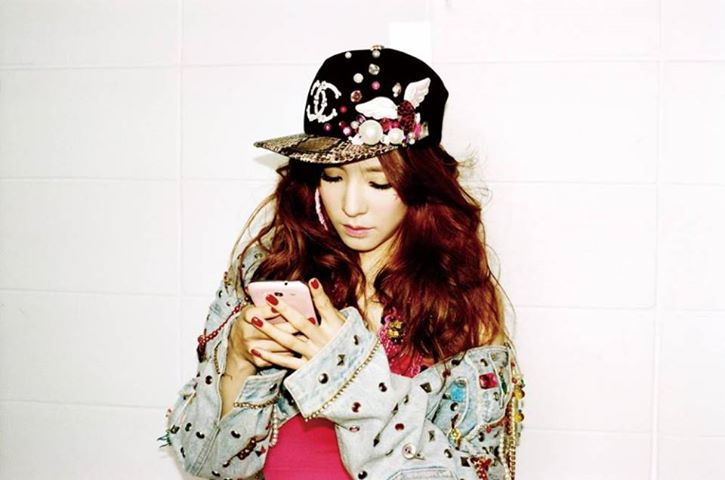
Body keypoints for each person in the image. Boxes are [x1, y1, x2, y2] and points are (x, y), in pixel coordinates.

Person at [158, 45, 525, 480]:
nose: (351, 206)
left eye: (379, 183)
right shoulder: (273, 271)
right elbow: (204, 464)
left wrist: (348, 376)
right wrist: (237, 361)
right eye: (332, 177)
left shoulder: (457, 309)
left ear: (420, 186)